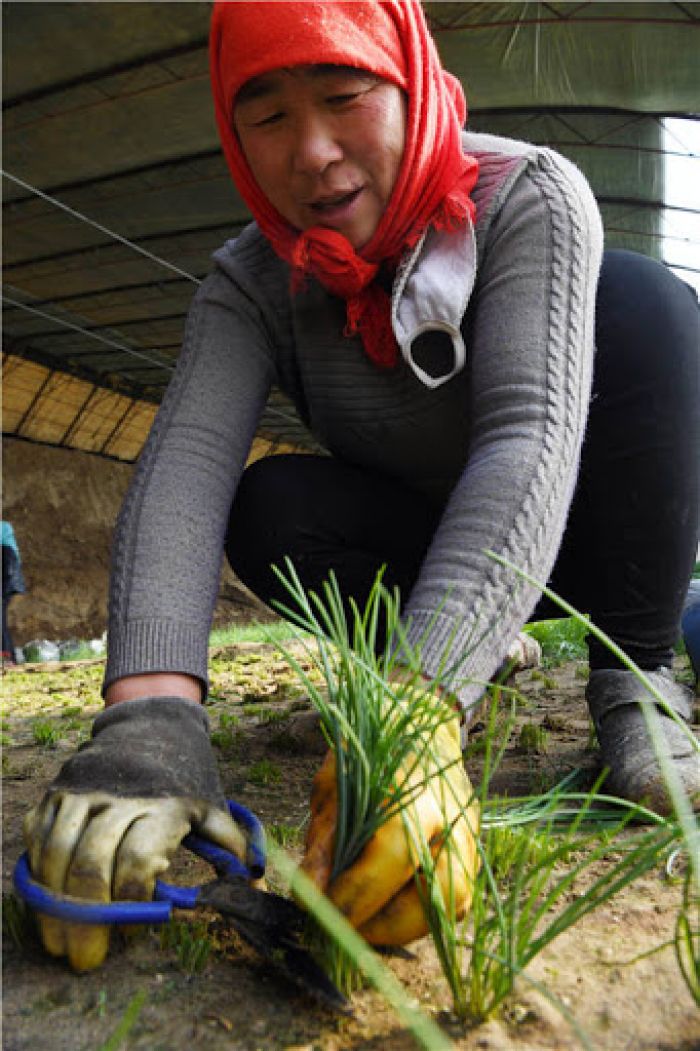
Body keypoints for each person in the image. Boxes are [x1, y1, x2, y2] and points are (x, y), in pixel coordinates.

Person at [24, 0, 699, 973]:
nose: (311, 151)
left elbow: (523, 435)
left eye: (343, 97)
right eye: (268, 117)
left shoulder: (527, 197)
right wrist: (148, 719)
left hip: (581, 530)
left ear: (410, 84)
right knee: (273, 502)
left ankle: (633, 677)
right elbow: (183, 466)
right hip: (428, 548)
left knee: (646, 304)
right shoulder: (252, 280)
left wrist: (418, 713)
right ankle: (469, 643)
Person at [2, 521, 26, 665]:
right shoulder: (5, 529)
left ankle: (6, 658)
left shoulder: (3, 529)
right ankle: (9, 658)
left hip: (6, 577)